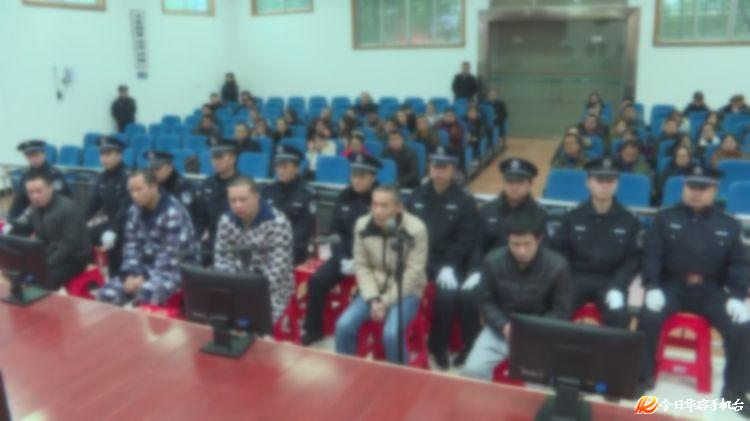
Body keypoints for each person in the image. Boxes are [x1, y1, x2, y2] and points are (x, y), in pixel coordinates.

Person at [637, 165, 750, 411]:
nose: (696, 192)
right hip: (671, 287)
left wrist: (738, 296)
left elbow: (739, 264)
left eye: (703, 187)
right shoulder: (665, 218)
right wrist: (652, 285)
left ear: (714, 190)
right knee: (648, 317)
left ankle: (735, 391)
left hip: (711, 292)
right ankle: (642, 377)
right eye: (692, 186)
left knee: (742, 327)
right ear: (684, 187)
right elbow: (652, 254)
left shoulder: (729, 224)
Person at [462, 212, 571, 380]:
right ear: (508, 240)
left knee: (539, 381)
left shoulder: (558, 266)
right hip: (500, 329)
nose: (521, 251)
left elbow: (561, 310)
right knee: (472, 371)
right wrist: (503, 325)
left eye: (527, 244)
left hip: (538, 334)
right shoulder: (493, 260)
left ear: (539, 239)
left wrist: (530, 329)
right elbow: (485, 300)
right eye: (515, 244)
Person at [335, 186, 428, 365]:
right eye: (374, 205)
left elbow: (413, 273)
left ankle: (400, 377)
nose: (377, 211)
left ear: (399, 207)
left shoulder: (416, 229)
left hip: (406, 291)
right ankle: (347, 371)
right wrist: (373, 299)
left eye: (384, 206)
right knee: (343, 326)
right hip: (373, 290)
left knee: (391, 334)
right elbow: (362, 265)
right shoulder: (362, 224)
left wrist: (385, 301)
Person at [406, 146, 479, 369]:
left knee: (447, 298)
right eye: (435, 165)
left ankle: (439, 346)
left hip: (449, 263)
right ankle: (406, 334)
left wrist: (449, 265)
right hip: (418, 260)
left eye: (444, 166)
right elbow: (406, 230)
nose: (438, 170)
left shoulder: (464, 201)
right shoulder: (416, 196)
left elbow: (466, 239)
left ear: (453, 169)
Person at [302, 153, 381, 345]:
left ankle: (361, 334)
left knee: (367, 292)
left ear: (373, 177)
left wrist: (360, 261)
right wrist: (342, 258)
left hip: (373, 261)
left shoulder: (381, 198)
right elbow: (335, 231)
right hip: (344, 256)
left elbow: (381, 237)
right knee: (317, 281)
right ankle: (314, 330)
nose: (357, 180)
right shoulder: (344, 196)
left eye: (363, 176)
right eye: (354, 175)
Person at [553, 158, 640, 329]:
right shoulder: (572, 216)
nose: (605, 186)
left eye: (610, 181)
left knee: (619, 319)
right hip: (576, 278)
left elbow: (633, 259)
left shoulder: (629, 220)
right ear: (588, 183)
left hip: (610, 280)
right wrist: (565, 280)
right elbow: (560, 251)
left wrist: (618, 286)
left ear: (617, 184)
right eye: (600, 181)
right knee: (556, 315)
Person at [96, 171, 198, 306]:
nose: (134, 195)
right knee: (106, 294)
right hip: (143, 267)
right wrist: (130, 274)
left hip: (176, 269)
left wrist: (143, 278)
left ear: (154, 187)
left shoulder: (173, 213)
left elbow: (170, 257)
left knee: (146, 295)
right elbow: (131, 247)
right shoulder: (134, 211)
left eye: (139, 190)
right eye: (131, 191)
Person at [214, 176, 294, 323]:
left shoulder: (277, 222)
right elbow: (222, 259)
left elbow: (278, 271)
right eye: (233, 201)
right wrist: (233, 287)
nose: (238, 205)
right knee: (214, 316)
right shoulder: (226, 220)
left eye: (243, 200)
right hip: (235, 286)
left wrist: (248, 293)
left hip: (271, 291)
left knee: (255, 321)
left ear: (256, 197)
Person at [467, 158, 546, 287]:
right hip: (490, 272)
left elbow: (543, 251)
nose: (514, 187)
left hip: (525, 275)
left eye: (520, 182)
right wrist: (475, 270)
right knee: (468, 295)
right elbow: (478, 245)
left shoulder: (539, 214)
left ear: (530, 184)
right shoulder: (488, 210)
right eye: (510, 182)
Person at [25, 173, 90, 290]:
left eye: (39, 191)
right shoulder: (34, 208)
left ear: (50, 189)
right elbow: (40, 238)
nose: (35, 196)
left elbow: (68, 245)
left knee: (44, 279)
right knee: (22, 272)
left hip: (75, 258)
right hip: (51, 253)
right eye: (30, 192)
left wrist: (47, 263)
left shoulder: (69, 208)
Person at [262, 146, 315, 265]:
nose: (280, 171)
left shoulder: (306, 194)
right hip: (265, 248)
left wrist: (280, 251)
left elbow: (302, 231)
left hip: (292, 250)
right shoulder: (267, 190)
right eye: (278, 166)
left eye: (285, 166)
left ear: (296, 168)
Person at [86, 137, 130, 276]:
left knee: (115, 249)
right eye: (102, 154)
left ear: (119, 155)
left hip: (128, 225)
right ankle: (92, 273)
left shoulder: (127, 176)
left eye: (108, 154)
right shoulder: (102, 177)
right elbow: (93, 204)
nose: (104, 158)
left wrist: (112, 229)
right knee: (83, 235)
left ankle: (117, 277)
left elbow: (125, 208)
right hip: (111, 222)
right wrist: (79, 223)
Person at [6, 140, 72, 234]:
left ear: (43, 154)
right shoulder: (26, 175)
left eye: (36, 155)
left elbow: (59, 201)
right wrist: (10, 216)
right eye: (29, 157)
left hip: (52, 218)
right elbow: (20, 199)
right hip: (32, 216)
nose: (33, 159)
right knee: (10, 233)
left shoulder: (54, 174)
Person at [195, 138, 241, 258]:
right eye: (213, 158)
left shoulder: (244, 185)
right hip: (209, 243)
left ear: (233, 158)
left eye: (220, 157)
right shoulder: (207, 184)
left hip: (236, 243)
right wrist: (200, 232)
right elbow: (198, 216)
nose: (215, 161)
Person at [147, 150, 199, 227]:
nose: (154, 172)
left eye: (157, 169)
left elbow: (185, 215)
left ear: (170, 167)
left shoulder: (182, 187)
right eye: (151, 169)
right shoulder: (152, 186)